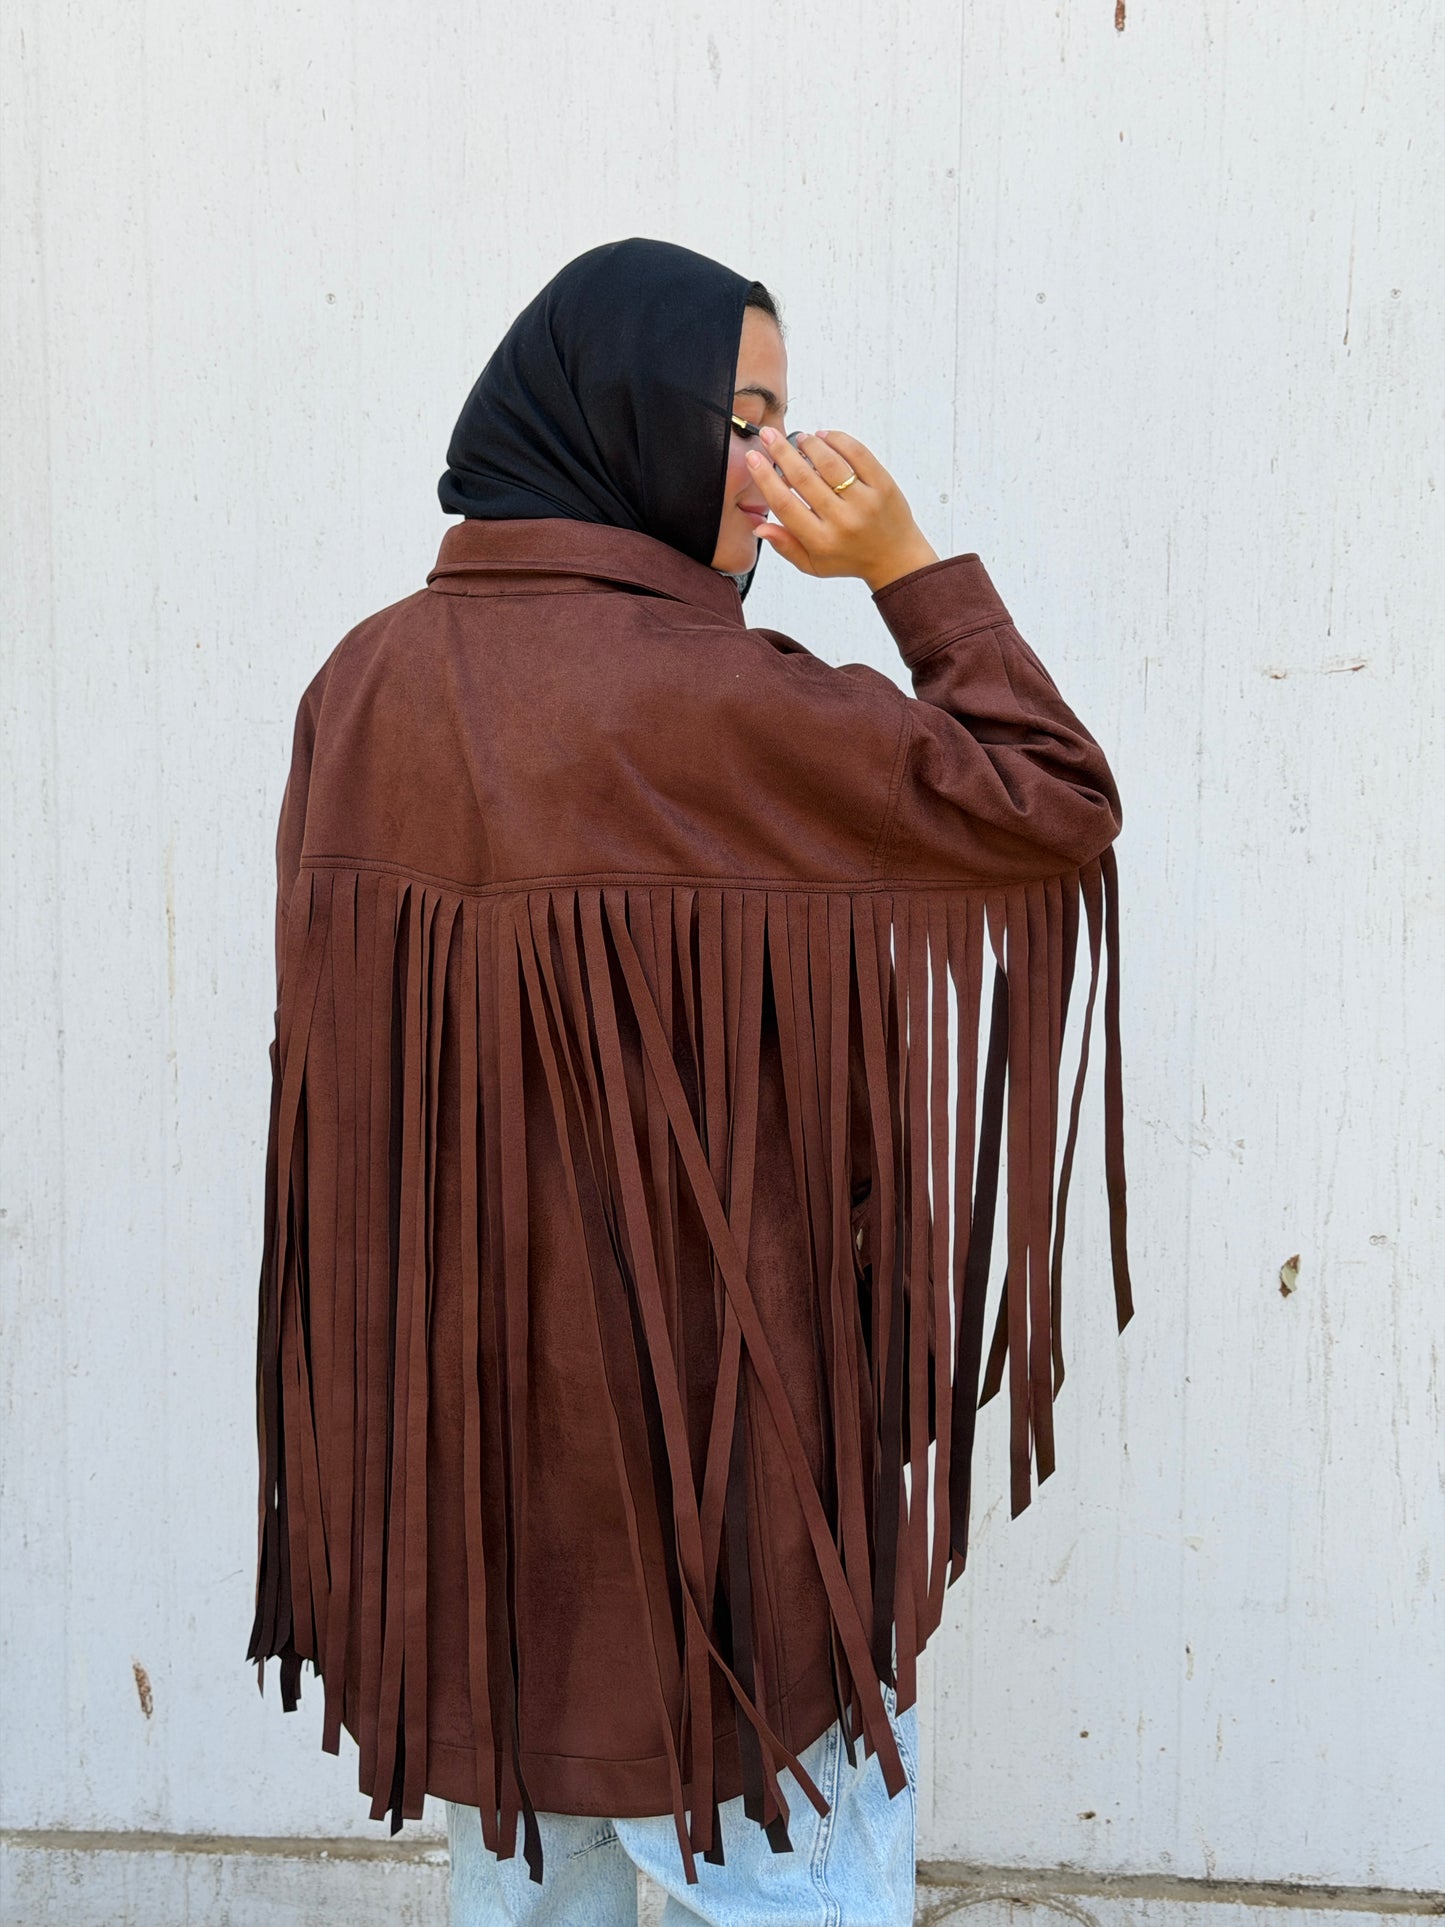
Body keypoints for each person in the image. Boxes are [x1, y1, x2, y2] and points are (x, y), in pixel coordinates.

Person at [246, 237, 1133, 1926]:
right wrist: (909, 566)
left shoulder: (355, 688)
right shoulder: (732, 705)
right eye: (742, 419)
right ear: (626, 419)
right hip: (724, 1548)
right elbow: (1052, 797)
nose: (777, 470)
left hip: (481, 1526)